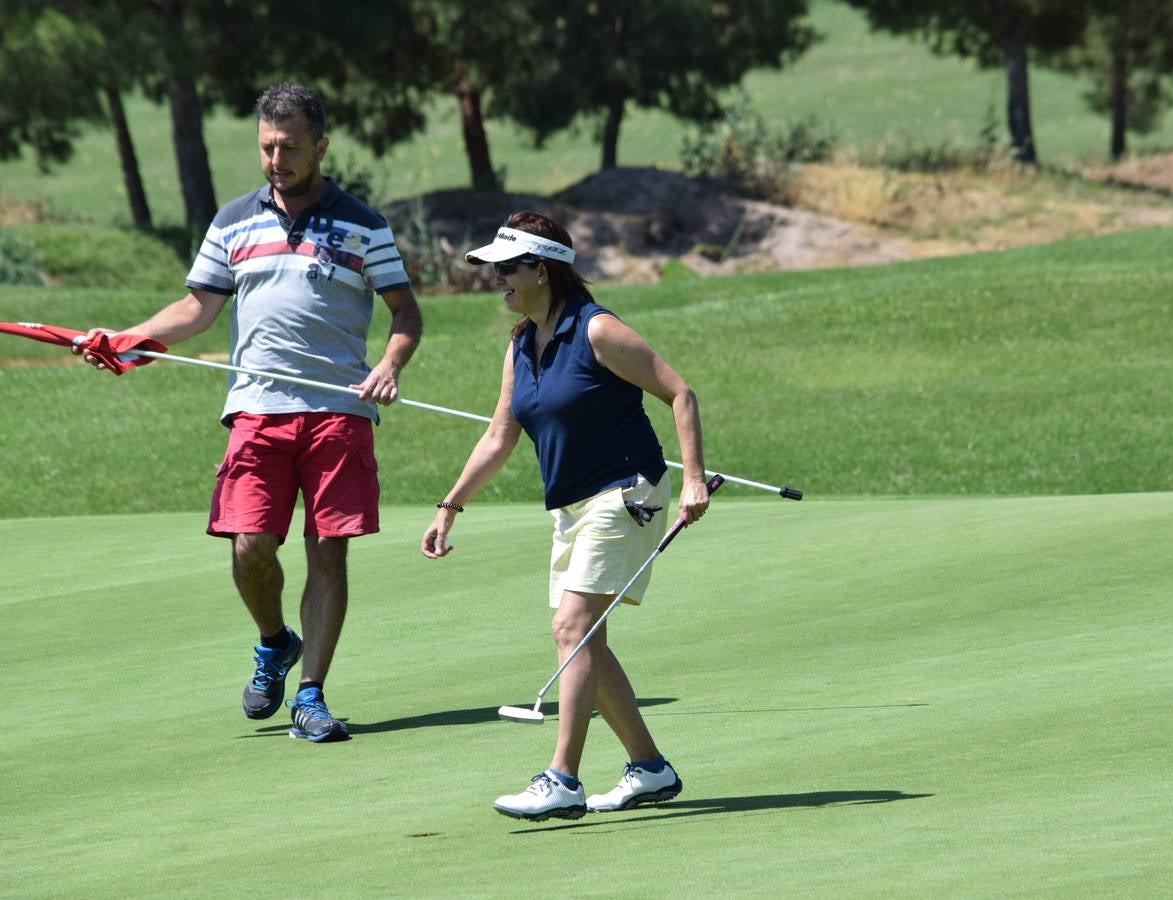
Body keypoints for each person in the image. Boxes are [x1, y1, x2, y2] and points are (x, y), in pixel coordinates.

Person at [77, 83, 422, 743]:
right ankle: (274, 642)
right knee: (249, 547)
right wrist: (127, 340)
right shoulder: (233, 220)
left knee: (329, 554)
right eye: (267, 146)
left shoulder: (363, 224)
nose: (276, 158)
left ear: (320, 146)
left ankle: (313, 697)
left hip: (338, 410)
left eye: (290, 146)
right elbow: (196, 308)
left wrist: (390, 364)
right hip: (257, 411)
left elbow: (405, 310)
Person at [421, 212, 710, 821]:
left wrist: (690, 478)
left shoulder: (598, 329)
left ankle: (563, 778)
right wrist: (451, 505)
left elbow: (679, 392)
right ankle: (650, 768)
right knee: (587, 642)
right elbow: (500, 435)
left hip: (627, 492)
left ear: (541, 268)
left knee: (572, 628)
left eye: (506, 267)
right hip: (571, 505)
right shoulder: (522, 342)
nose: (495, 277)